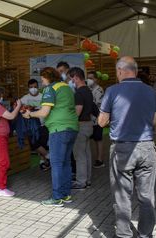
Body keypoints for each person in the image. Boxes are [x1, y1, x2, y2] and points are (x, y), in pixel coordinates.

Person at [98, 56, 156, 238]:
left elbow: (101, 122)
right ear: (136, 70)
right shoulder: (151, 92)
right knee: (147, 196)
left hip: (123, 149)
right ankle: (145, 234)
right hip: (147, 147)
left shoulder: (112, 91)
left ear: (120, 71)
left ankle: (124, 234)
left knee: (122, 195)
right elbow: (155, 122)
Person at [22, 67, 78, 207]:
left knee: (56, 164)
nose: (42, 82)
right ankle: (65, 194)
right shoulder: (66, 87)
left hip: (58, 129)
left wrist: (30, 114)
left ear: (47, 77)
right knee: (65, 162)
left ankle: (57, 197)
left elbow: (45, 112)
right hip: (72, 128)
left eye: (42, 79)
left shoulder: (50, 89)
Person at [68, 67, 94, 190]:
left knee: (79, 155)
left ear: (76, 77)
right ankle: (87, 179)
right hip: (89, 125)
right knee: (86, 153)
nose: (71, 81)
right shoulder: (88, 91)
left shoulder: (79, 93)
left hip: (81, 126)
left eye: (71, 78)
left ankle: (81, 181)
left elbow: (77, 113)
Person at [20, 79, 50, 171]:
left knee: (43, 145)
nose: (33, 89)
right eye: (31, 87)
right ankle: (49, 158)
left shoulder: (43, 97)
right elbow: (19, 109)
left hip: (43, 124)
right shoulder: (25, 98)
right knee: (34, 144)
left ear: (38, 87)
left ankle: (43, 162)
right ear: (28, 88)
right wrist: (24, 108)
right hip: (31, 127)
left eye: (35, 87)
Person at [87, 71, 105, 168]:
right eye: (88, 78)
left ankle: (100, 159)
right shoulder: (87, 89)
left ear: (96, 79)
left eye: (92, 78)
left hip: (97, 119)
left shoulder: (99, 90)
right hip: (87, 120)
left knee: (98, 139)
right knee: (87, 139)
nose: (90, 80)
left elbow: (99, 105)